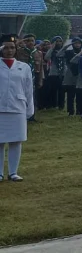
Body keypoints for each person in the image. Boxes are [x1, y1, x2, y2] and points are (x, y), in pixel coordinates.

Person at [0, 33, 34, 182]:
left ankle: (13, 172)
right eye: (6, 48)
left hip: (18, 107)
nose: (9, 50)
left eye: (12, 47)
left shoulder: (24, 67)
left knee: (16, 140)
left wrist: (29, 109)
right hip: (0, 107)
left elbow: (28, 89)